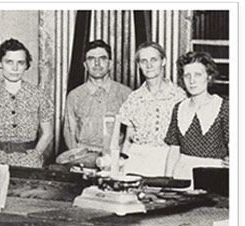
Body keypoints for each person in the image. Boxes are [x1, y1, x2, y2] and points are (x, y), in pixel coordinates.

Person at [0, 38, 53, 168]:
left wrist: (35, 155)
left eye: (20, 62)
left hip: (28, 162)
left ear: (26, 65)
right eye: (9, 62)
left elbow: (48, 133)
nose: (15, 68)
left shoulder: (39, 95)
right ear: (0, 63)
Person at [119, 41, 187, 176]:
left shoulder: (179, 97)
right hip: (136, 161)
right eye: (143, 61)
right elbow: (128, 139)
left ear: (163, 61)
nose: (149, 65)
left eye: (153, 60)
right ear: (139, 65)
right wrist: (121, 165)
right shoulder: (134, 98)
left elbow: (183, 141)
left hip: (167, 161)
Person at [165, 51, 229, 184]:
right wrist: (168, 181)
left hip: (214, 176)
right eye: (187, 75)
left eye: (198, 75)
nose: (192, 81)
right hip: (182, 175)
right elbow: (174, 150)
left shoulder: (224, 107)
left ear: (209, 77)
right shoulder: (179, 108)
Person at [63, 40, 132, 151]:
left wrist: (121, 158)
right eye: (91, 59)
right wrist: (77, 158)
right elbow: (69, 132)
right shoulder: (75, 96)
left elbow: (131, 132)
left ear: (110, 64)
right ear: (85, 65)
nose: (97, 63)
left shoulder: (126, 94)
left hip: (115, 157)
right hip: (83, 156)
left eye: (102, 58)